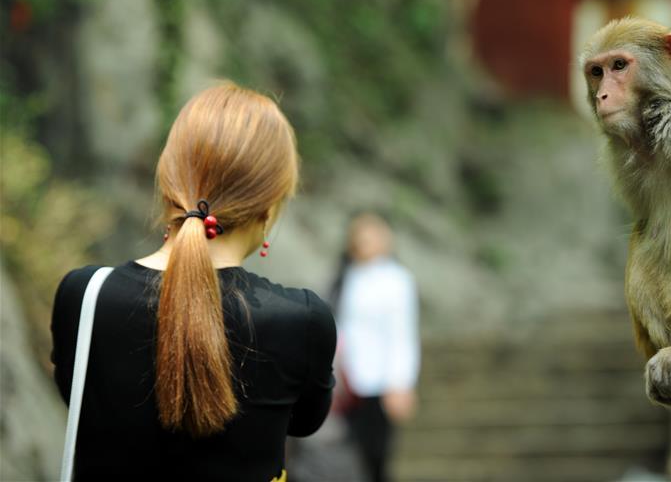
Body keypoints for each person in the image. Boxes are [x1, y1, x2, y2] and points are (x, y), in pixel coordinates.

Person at [50, 83, 336, 481]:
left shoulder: (85, 297)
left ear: (168, 185)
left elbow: (76, 398)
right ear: (269, 207)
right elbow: (305, 421)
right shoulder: (301, 321)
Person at [332, 213, 420, 482]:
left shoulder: (397, 280)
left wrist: (401, 382)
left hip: (380, 381)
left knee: (376, 456)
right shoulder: (345, 278)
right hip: (348, 381)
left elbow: (402, 333)